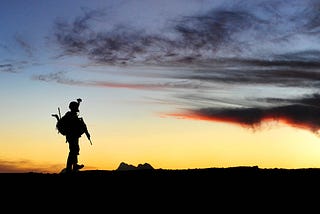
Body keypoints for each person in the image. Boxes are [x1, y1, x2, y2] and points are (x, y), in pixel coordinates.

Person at [63, 98, 91, 173]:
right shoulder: (70, 115)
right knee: (73, 151)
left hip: (74, 136)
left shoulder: (72, 115)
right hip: (71, 136)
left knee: (74, 150)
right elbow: (72, 125)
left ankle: (74, 165)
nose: (77, 109)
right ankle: (69, 168)